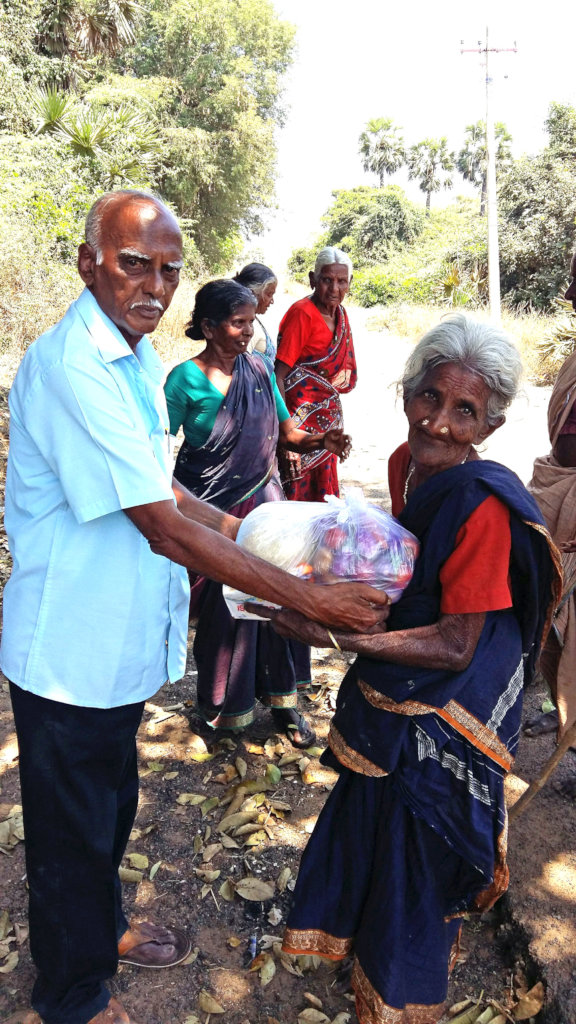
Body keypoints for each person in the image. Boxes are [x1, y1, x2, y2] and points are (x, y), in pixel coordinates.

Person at [0, 190, 389, 1024]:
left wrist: (255, 530)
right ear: (88, 262)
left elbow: (163, 487)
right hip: (66, 653)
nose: (154, 285)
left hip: (113, 649)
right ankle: (73, 998)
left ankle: (99, 934)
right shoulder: (73, 366)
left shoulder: (132, 356)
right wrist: (302, 592)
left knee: (109, 812)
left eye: (169, 269)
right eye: (133, 263)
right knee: (71, 840)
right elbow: (160, 526)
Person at [264, 316, 559, 1024]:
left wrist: (334, 632)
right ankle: (360, 962)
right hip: (400, 680)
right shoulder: (404, 463)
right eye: (431, 397)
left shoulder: (481, 504)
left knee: (415, 859)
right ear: (408, 394)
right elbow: (405, 577)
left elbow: (458, 643)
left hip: (452, 708)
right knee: (372, 830)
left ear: (489, 427)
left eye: (467, 412)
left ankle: (398, 1000)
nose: (443, 424)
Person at [164, 279, 351, 745]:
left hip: (263, 507)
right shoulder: (182, 380)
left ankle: (283, 703)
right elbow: (154, 454)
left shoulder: (260, 370)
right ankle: (220, 709)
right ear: (208, 326)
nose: (248, 332)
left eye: (250, 322)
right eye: (237, 322)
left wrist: (320, 440)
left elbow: (287, 433)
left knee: (275, 599)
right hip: (209, 510)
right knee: (222, 611)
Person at [523, 251, 576, 799]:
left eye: (575, 282)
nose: (567, 294)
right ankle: (561, 717)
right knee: (552, 626)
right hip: (561, 494)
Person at [275, 245, 357, 501]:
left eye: (341, 281)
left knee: (322, 500)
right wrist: (286, 436)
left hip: (326, 427)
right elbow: (278, 375)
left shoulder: (341, 315)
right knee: (297, 499)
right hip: (298, 426)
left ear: (350, 283)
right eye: (327, 280)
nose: (334, 289)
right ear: (313, 279)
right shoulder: (303, 314)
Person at [232, 262, 278, 371]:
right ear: (253, 293)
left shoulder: (252, 321)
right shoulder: (247, 327)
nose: (272, 301)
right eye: (269, 294)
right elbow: (240, 368)